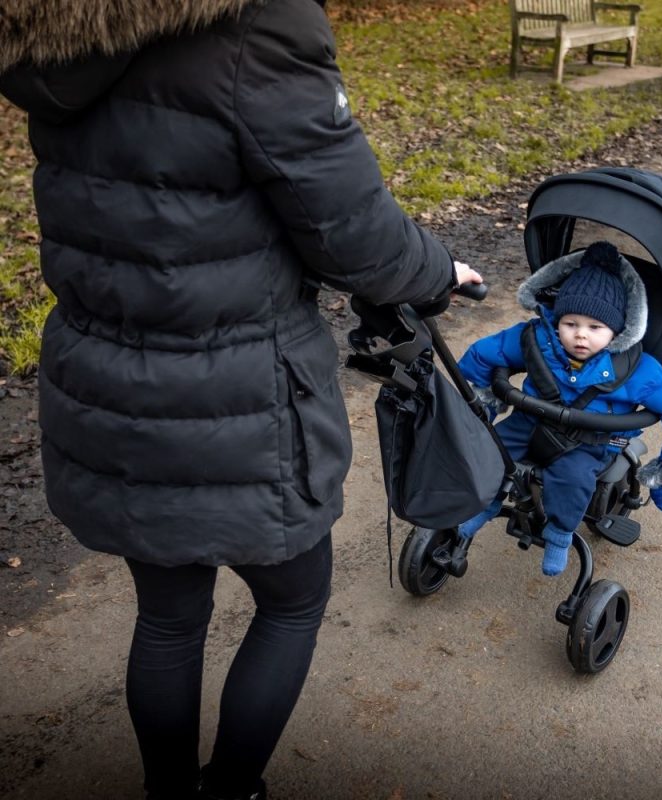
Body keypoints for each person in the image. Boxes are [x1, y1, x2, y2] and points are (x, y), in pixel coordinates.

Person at [0, 1, 482, 799]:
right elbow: (352, 231)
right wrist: (438, 272)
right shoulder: (260, 26)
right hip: (245, 395)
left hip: (108, 384)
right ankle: (229, 789)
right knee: (295, 600)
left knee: (167, 616)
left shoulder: (54, 37)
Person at [456, 241, 662, 576]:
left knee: (570, 480)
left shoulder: (635, 367)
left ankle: (559, 534)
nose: (581, 336)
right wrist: (478, 400)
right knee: (488, 453)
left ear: (617, 330)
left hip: (589, 440)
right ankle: (482, 506)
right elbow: (487, 351)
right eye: (571, 324)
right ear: (557, 318)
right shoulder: (537, 339)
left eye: (595, 328)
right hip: (529, 421)